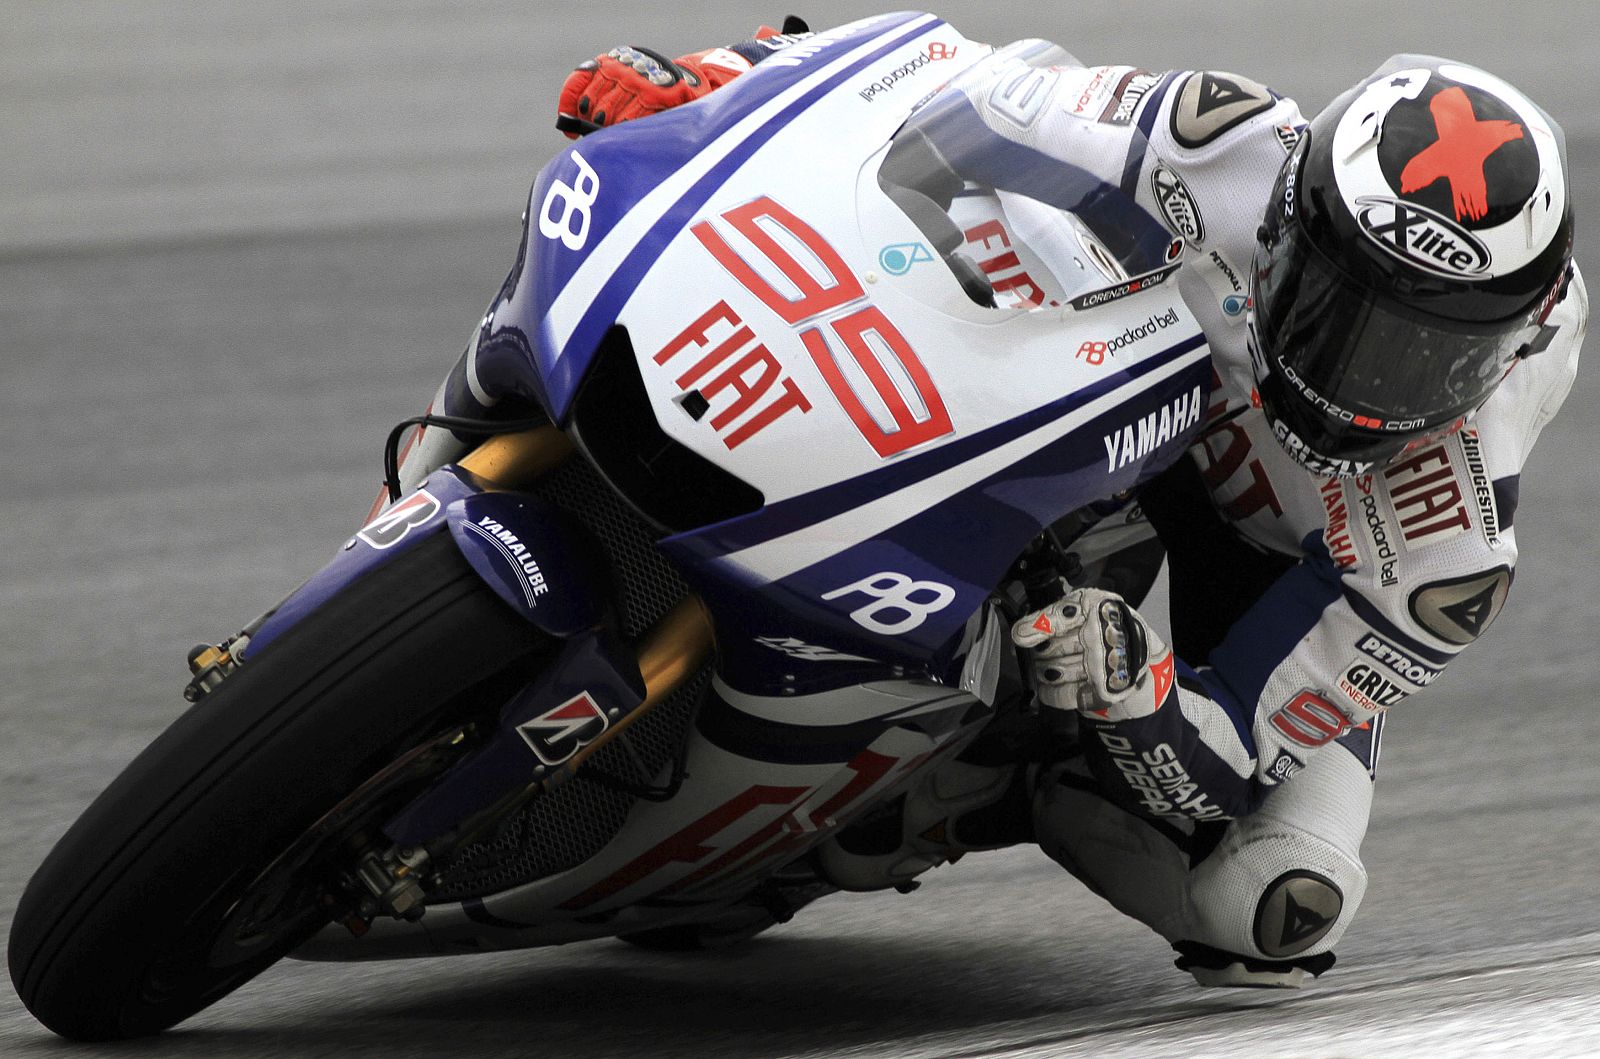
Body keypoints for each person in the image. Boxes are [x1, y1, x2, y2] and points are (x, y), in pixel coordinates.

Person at [407, 17, 1587, 987]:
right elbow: (950, 88)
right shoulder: (1223, 140)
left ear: (1507, 347)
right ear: (1290, 215)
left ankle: (924, 806)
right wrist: (713, 81)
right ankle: (458, 440)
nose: (1361, 377)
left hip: (1261, 579)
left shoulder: (1444, 551)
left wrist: (1139, 691)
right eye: (1345, 310)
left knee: (1273, 901)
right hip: (1106, 413)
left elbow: (1226, 758)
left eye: (1424, 355)